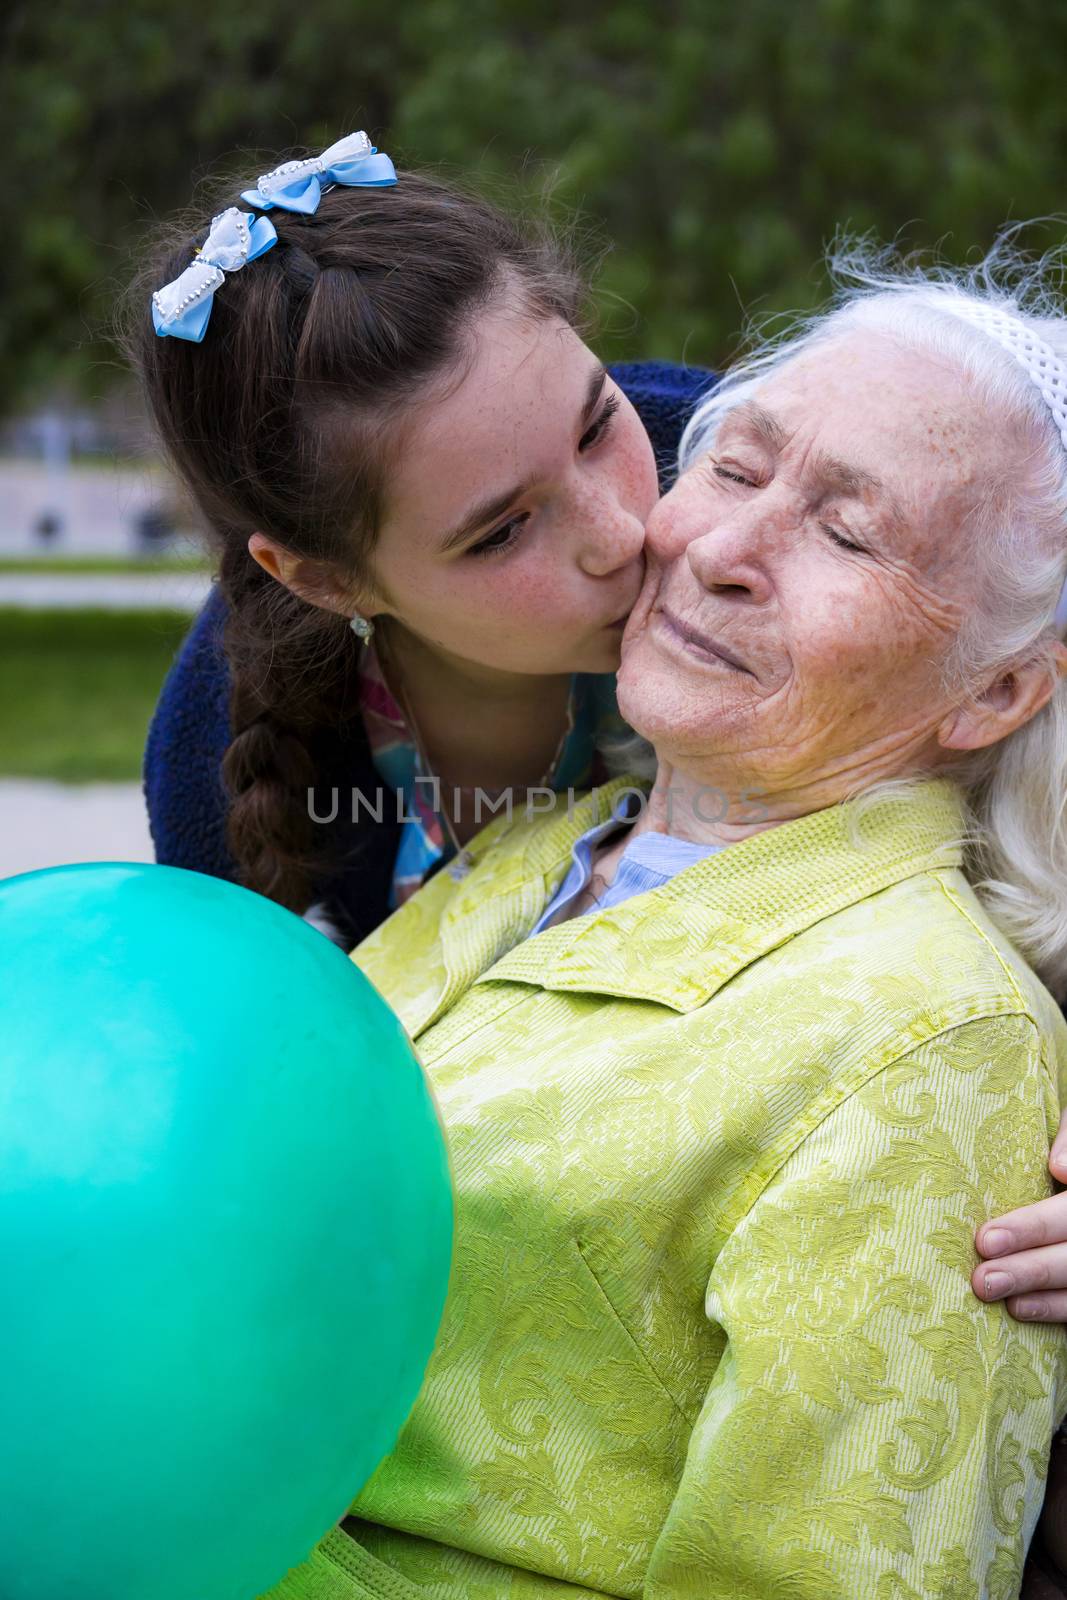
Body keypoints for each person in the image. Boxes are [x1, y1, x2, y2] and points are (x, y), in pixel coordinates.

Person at [130, 140, 1067, 1588]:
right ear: (331, 582)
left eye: (845, 531)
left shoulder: (725, 453)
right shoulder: (307, 769)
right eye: (501, 530)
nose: (655, 539)